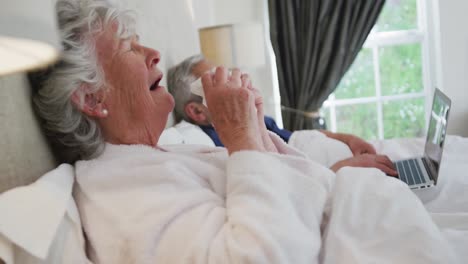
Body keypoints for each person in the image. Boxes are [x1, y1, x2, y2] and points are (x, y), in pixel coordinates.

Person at [31, 0, 454, 263]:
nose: (153, 53)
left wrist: (255, 128)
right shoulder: (116, 194)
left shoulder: (164, 152)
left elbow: (291, 189)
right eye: (129, 47)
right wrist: (243, 139)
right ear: (91, 99)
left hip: (375, 219)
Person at [167, 54, 390, 166]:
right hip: (336, 170)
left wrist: (348, 139)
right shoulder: (228, 145)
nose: (229, 83)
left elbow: (292, 138)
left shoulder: (246, 117)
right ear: (196, 112)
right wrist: (345, 168)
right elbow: (287, 180)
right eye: (215, 82)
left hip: (344, 156)